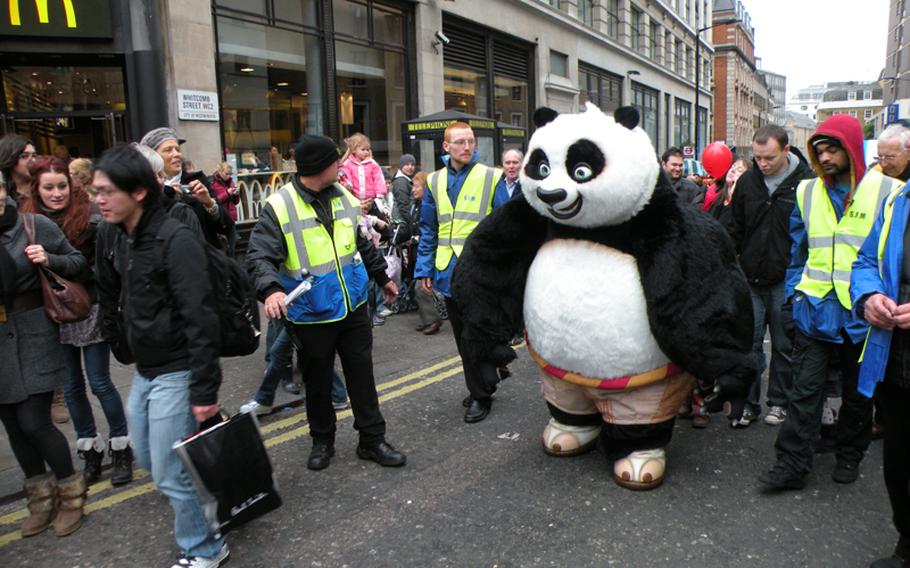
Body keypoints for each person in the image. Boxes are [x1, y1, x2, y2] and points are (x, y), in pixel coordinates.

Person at [94, 145, 228, 567]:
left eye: (106, 191)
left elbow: (201, 319)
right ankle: (213, 508)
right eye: (94, 190)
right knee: (152, 463)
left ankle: (204, 549)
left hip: (178, 370)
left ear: (137, 191)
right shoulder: (123, 236)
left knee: (170, 472)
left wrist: (204, 390)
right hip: (147, 370)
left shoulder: (175, 238)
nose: (97, 199)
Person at [758, 114, 903, 491]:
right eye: (818, 150)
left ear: (851, 148)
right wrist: (794, 294)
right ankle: (791, 464)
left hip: (864, 314)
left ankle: (849, 455)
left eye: (832, 148)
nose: (824, 157)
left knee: (858, 395)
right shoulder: (807, 192)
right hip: (815, 310)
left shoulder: (889, 191)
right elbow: (798, 251)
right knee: (803, 392)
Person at [246, 133, 406, 471]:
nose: (342, 165)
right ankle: (322, 440)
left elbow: (361, 245)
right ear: (321, 167)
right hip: (311, 312)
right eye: (337, 161)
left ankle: (372, 439)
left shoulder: (345, 197)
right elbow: (258, 254)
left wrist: (382, 278)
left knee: (362, 376)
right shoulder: (280, 205)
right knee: (317, 381)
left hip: (353, 305)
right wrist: (271, 289)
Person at [19, 157, 133, 487]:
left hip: (88, 308)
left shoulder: (92, 218)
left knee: (99, 382)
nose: (57, 193)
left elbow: (91, 270)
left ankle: (120, 447)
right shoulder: (26, 222)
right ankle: (91, 451)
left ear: (72, 185)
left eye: (62, 186)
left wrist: (51, 259)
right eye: (49, 188)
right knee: (71, 388)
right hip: (51, 315)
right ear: (37, 190)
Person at [0, 170, 88, 538]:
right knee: (13, 426)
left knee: (34, 421)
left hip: (33, 329)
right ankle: (41, 499)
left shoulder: (31, 225)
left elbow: (78, 263)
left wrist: (48, 258)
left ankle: (71, 494)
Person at [414, 121, 511, 423]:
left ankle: (481, 394)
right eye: (459, 142)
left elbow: (505, 227)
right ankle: (483, 380)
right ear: (446, 147)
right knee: (462, 336)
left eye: (470, 141)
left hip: (481, 273)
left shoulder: (492, 177)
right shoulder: (433, 181)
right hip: (448, 270)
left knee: (475, 334)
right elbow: (429, 229)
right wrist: (423, 268)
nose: (467, 147)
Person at [726, 125, 814, 427]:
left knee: (784, 346)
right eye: (757, 157)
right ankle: (749, 404)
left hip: (786, 281)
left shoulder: (806, 183)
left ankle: (779, 403)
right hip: (750, 278)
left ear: (786, 151)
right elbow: (734, 227)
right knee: (749, 346)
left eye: (769, 158)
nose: (762, 164)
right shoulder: (749, 182)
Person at [851, 172, 910, 568]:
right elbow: (866, 259)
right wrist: (869, 295)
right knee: (899, 466)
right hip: (896, 360)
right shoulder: (898, 199)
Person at [139, 127, 231, 250]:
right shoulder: (144, 188)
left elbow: (225, 226)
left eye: (177, 149)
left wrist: (209, 203)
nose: (176, 154)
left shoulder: (197, 181)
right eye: (168, 150)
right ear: (153, 156)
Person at [339, 133, 387, 200]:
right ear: (353, 150)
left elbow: (378, 179)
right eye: (363, 149)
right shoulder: (348, 164)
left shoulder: (372, 164)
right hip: (354, 199)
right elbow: (346, 176)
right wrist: (347, 185)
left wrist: (380, 194)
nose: (366, 152)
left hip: (371, 199)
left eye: (367, 150)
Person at [210, 162, 241, 256]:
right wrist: (227, 193)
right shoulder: (213, 183)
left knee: (232, 246)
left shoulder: (231, 182)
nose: (228, 176)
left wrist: (236, 194)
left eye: (230, 174)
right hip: (220, 219)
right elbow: (215, 200)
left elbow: (235, 202)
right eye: (226, 173)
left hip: (230, 218)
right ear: (220, 171)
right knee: (222, 246)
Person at [0, 134, 36, 203]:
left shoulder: (42, 187)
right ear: (10, 159)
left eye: (34, 155)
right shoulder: (3, 194)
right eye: (24, 156)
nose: (33, 160)